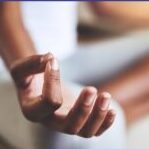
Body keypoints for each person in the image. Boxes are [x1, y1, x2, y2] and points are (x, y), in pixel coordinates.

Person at [0, 2, 149, 149]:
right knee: (85, 137)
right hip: (13, 66)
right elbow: (7, 17)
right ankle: (98, 110)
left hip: (69, 56)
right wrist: (37, 79)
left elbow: (106, 5)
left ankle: (95, 108)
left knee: (99, 118)